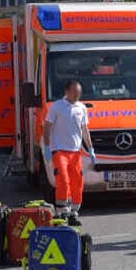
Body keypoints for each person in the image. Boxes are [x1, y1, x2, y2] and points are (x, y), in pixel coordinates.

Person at [43, 80, 96, 219]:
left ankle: (74, 210)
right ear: (67, 92)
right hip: (59, 149)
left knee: (77, 181)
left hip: (75, 151)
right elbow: (47, 126)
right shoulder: (57, 106)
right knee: (63, 179)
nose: (77, 95)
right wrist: (48, 146)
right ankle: (62, 209)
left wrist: (91, 149)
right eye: (75, 92)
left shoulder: (81, 108)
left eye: (79, 93)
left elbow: (85, 129)